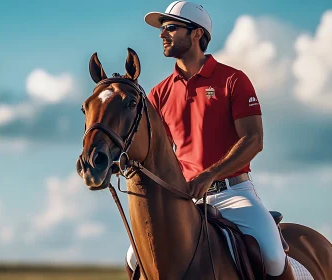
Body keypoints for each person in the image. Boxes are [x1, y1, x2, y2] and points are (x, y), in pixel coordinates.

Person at [126, 1, 295, 279]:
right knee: (133, 258)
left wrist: (209, 175)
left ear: (196, 34)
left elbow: (253, 139)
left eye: (170, 28)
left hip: (234, 194)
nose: (162, 35)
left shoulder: (233, 80)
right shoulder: (158, 94)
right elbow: (157, 153)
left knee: (274, 257)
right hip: (184, 199)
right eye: (161, 29)